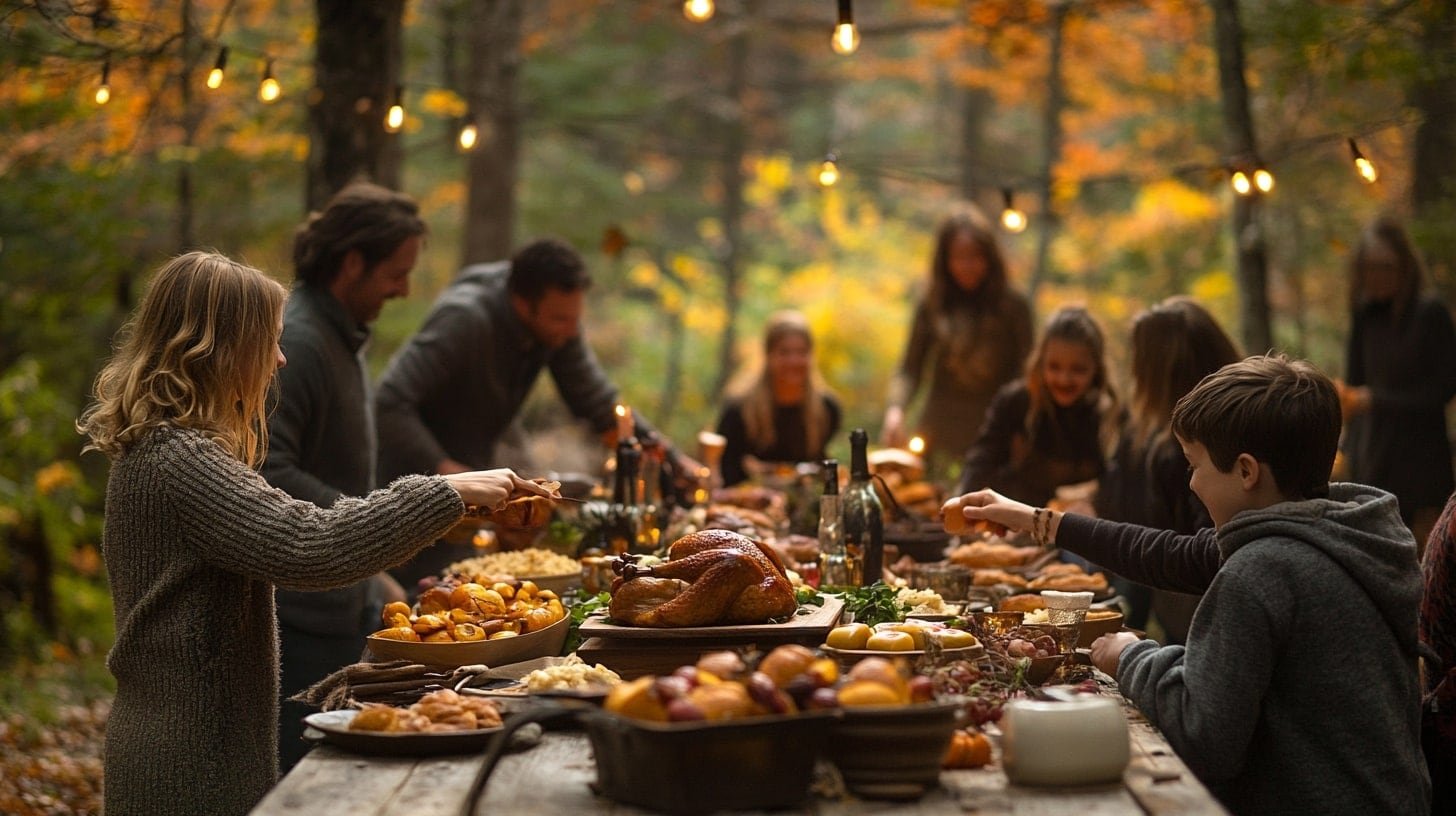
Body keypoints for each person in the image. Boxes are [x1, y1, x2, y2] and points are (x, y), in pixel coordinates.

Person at [76, 251, 549, 816]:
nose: (278, 361)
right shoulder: (178, 462)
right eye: (268, 343)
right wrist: (449, 491)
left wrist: (466, 508)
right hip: (183, 763)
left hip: (208, 744)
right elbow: (310, 545)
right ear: (218, 348)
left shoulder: (177, 452)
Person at [949, 355, 1430, 815]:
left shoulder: (1261, 571)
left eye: (1195, 465)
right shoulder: (1347, 537)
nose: (1192, 484)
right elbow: (1171, 556)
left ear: (1245, 471)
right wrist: (1035, 519)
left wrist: (1130, 658)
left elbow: (1205, 738)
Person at [375, 238, 689, 583]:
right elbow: (389, 402)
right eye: (560, 319)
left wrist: (673, 459)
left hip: (471, 489)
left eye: (575, 319)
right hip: (409, 492)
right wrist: (452, 475)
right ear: (523, 304)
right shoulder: (464, 320)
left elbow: (597, 399)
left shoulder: (556, 328)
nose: (571, 331)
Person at [260, 182, 426, 772]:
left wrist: (373, 571)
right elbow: (268, 471)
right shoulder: (299, 341)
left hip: (338, 600)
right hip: (299, 618)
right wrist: (375, 535)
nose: (404, 289)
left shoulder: (341, 334)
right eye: (397, 272)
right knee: (300, 777)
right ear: (353, 262)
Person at [1095, 297, 1240, 639]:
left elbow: (1201, 547)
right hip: (1170, 592)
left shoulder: (1193, 447)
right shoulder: (1145, 430)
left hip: (1200, 607)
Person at [881, 206, 1033, 478]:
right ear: (945, 260)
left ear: (990, 258)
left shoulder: (1013, 305)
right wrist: (896, 409)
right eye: (959, 258)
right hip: (938, 429)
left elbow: (1026, 371)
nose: (968, 266)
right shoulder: (932, 303)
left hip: (994, 427)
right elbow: (910, 367)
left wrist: (1019, 424)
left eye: (976, 257)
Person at [1337, 215, 1456, 550]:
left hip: (1422, 460)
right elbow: (1355, 382)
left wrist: (1376, 400)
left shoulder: (1430, 313)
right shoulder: (1364, 314)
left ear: (1404, 265)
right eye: (1368, 268)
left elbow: (1442, 391)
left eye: (1384, 267)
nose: (1375, 276)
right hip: (1374, 457)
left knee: (1425, 555)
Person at [956, 305, 1118, 508]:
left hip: (1077, 529)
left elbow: (1118, 485)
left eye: (1078, 370)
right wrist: (965, 500)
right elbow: (982, 459)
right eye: (1054, 367)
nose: (1064, 379)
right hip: (1011, 519)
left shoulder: (1109, 417)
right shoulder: (1015, 402)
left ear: (1097, 368)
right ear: (1040, 362)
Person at [714, 310, 841, 486]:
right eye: (785, 352)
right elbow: (725, 471)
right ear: (768, 355)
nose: (794, 361)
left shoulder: (828, 409)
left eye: (801, 352)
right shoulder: (738, 409)